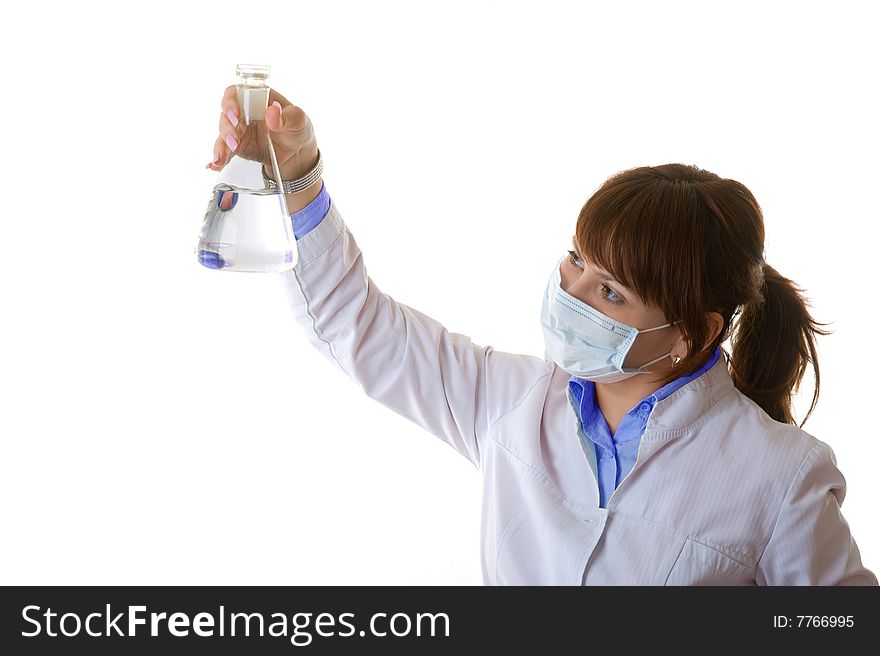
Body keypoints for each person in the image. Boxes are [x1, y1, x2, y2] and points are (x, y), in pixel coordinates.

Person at [207, 85, 878, 586]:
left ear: (693, 333)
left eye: (611, 292)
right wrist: (296, 176)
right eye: (578, 261)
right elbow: (356, 325)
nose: (571, 294)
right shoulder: (511, 401)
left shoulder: (779, 476)